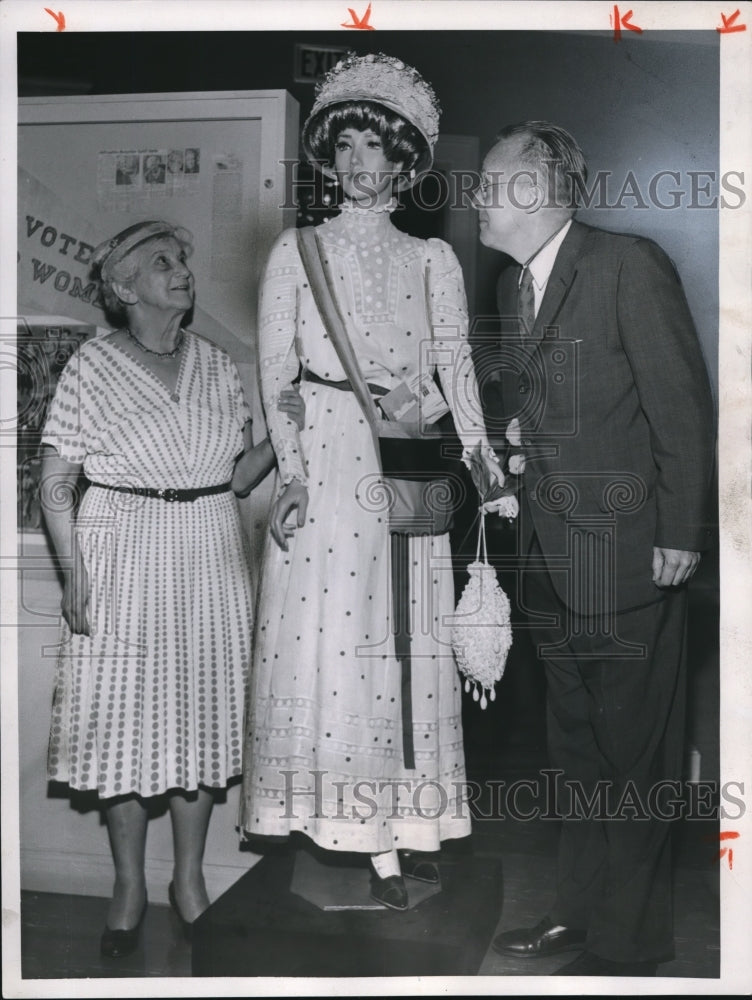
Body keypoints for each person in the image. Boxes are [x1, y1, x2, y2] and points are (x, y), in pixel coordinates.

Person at [239, 52, 507, 910]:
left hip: (404, 460)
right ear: (330, 156)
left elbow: (456, 367)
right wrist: (291, 472)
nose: (358, 161)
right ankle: (351, 832)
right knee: (331, 650)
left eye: (374, 146)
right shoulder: (298, 249)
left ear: (402, 162)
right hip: (323, 464)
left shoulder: (432, 260)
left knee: (403, 644)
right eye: (345, 143)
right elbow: (275, 367)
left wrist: (473, 449)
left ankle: (402, 828)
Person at [473, 122, 716, 975]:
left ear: (536, 189)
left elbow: (681, 406)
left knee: (635, 757)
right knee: (575, 752)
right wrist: (519, 433)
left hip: (628, 560)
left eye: (490, 182)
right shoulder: (514, 290)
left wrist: (683, 533)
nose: (474, 198)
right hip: (549, 564)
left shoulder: (627, 264)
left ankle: (630, 945)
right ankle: (575, 917)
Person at [40, 219, 304, 958]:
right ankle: (128, 886)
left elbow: (237, 477)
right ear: (123, 290)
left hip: (209, 554)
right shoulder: (90, 369)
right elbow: (56, 480)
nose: (180, 270)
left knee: (200, 723)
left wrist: (283, 435)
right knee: (124, 726)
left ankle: (189, 881)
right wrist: (73, 572)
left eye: (182, 261)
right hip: (122, 552)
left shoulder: (220, 366)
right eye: (161, 263)